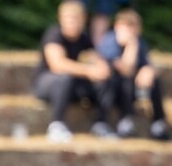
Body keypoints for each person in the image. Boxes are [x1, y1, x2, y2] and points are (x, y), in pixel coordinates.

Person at [33, 0, 115, 143]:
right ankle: (56, 125)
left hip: (72, 86)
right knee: (65, 78)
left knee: (104, 79)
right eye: (69, 18)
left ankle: (101, 124)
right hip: (47, 84)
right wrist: (88, 70)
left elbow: (94, 58)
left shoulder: (84, 39)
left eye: (76, 18)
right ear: (60, 18)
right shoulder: (54, 34)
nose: (72, 22)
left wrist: (102, 67)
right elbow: (57, 65)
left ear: (83, 19)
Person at [97, 8, 169, 141]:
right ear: (117, 26)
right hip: (112, 92)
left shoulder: (140, 42)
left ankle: (158, 123)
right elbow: (125, 69)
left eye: (134, 27)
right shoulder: (109, 41)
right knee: (126, 79)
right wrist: (131, 44)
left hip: (133, 90)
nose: (131, 31)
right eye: (127, 26)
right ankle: (123, 121)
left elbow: (146, 63)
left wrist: (148, 70)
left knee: (154, 80)